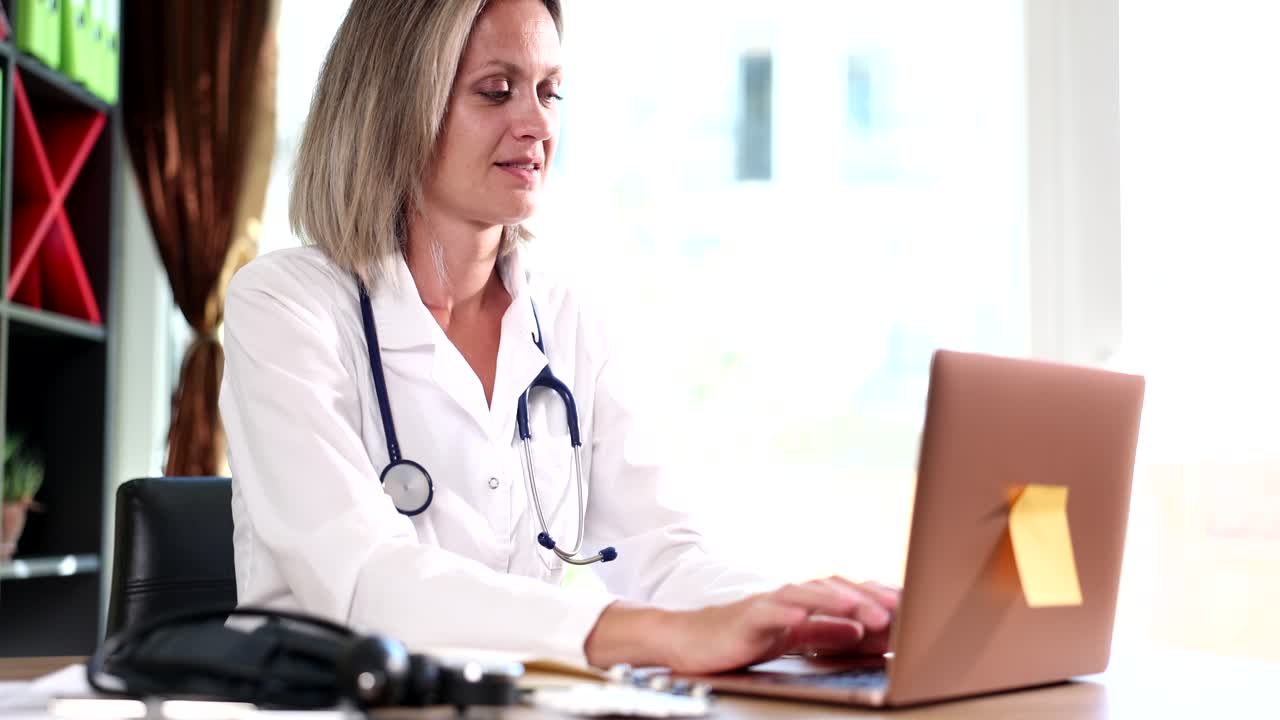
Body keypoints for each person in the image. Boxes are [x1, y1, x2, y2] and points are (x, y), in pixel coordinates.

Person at [220, 0, 898, 673]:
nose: (539, 122)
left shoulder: (571, 316)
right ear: (395, 105)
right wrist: (655, 635)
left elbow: (662, 555)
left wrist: (802, 616)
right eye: (497, 90)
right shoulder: (284, 307)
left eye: (550, 92)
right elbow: (365, 581)